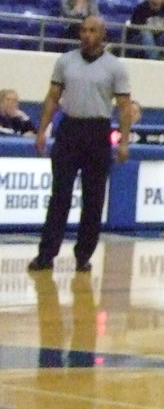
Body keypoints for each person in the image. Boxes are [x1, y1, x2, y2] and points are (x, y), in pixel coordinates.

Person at [27, 15, 133, 273]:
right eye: (83, 30)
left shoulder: (115, 67)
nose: (86, 35)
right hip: (69, 130)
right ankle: (46, 254)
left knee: (94, 199)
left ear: (103, 34)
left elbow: (124, 107)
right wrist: (42, 131)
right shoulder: (65, 61)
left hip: (97, 132)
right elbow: (53, 98)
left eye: (92, 30)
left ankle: (83, 255)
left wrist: (124, 141)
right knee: (59, 196)